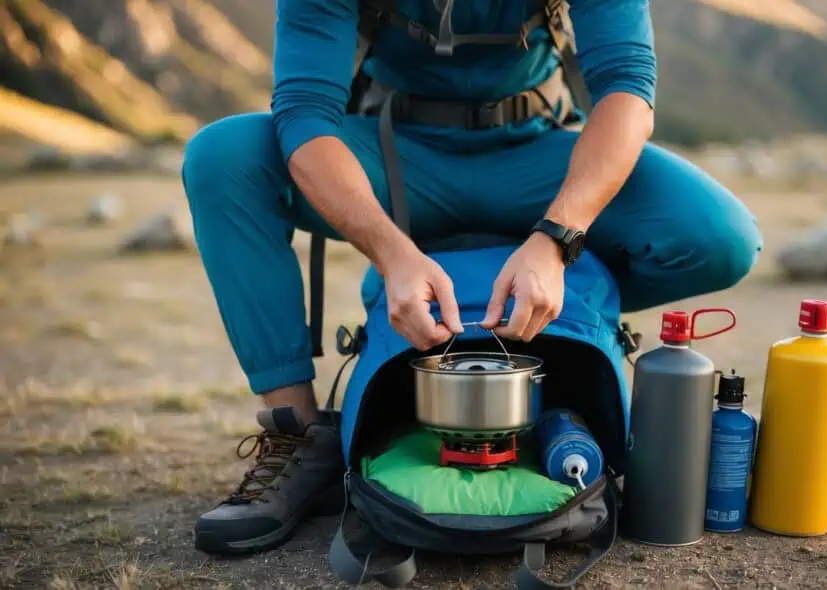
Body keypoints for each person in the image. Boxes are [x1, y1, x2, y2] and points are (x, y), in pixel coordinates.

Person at [181, 0, 763, 555]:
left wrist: (558, 239)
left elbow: (628, 88)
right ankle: (300, 435)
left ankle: (561, 314)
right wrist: (393, 255)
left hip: (539, 152)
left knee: (720, 238)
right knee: (223, 158)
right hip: (396, 157)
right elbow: (305, 113)